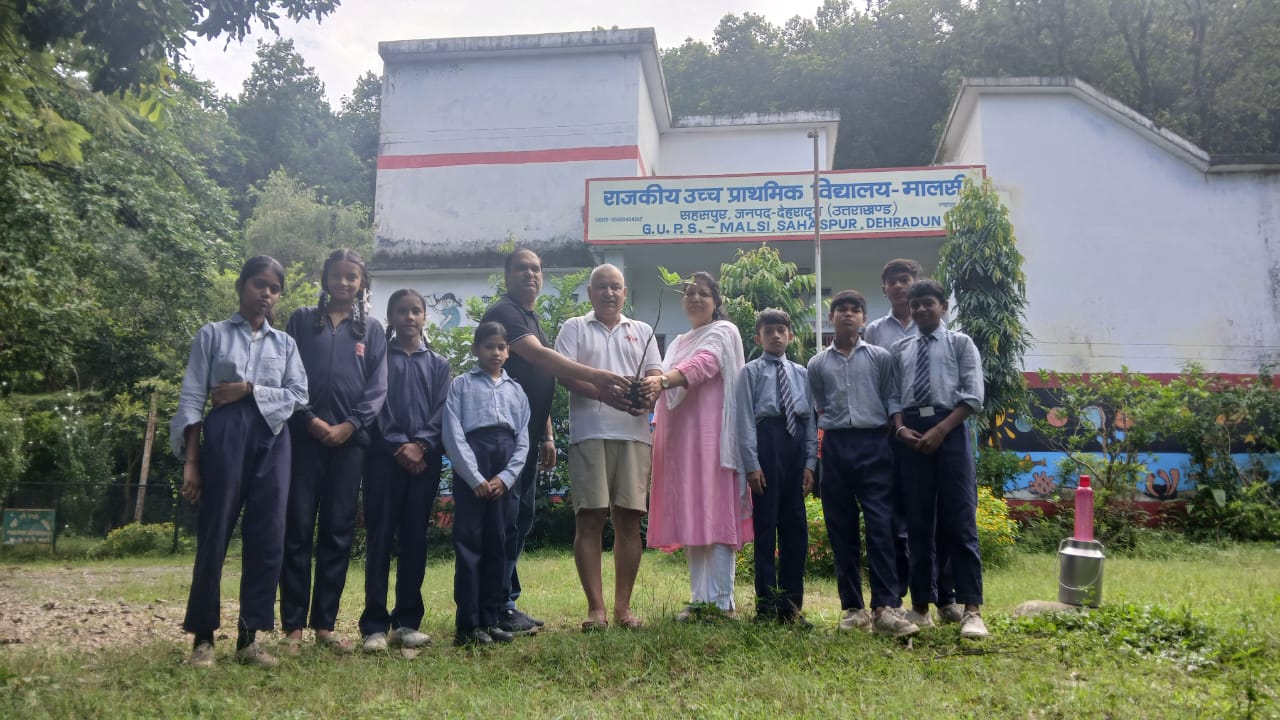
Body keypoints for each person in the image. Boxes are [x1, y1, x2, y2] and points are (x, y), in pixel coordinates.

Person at [479, 248, 630, 635]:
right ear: (507, 274)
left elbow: (537, 379)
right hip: (503, 434)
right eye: (521, 268)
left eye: (536, 268)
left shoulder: (530, 317)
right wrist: (597, 377)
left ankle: (505, 601)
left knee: (520, 517)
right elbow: (540, 358)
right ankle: (492, 604)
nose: (530, 274)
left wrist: (546, 433)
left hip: (528, 435)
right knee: (504, 520)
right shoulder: (506, 312)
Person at [172, 255, 308, 668]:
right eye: (258, 284)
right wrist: (191, 462)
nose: (266, 293)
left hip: (273, 438)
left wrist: (249, 389)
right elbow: (192, 398)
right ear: (241, 286)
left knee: (268, 534)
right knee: (214, 531)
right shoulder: (211, 335)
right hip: (225, 435)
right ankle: (203, 639)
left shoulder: (285, 344)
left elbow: (299, 396)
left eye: (274, 288)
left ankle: (250, 639)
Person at [280, 249, 388, 655]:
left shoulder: (371, 330)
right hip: (302, 439)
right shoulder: (301, 320)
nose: (344, 283)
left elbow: (378, 387)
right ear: (325, 278)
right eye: (337, 275)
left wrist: (350, 425)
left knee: (338, 533)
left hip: (350, 445)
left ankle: (324, 625)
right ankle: (293, 627)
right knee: (296, 530)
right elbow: (285, 372)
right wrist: (308, 419)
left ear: (362, 284)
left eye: (352, 277)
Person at [554, 264, 662, 631]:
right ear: (590, 292)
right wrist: (602, 394)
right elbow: (565, 374)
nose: (609, 293)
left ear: (625, 292)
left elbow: (654, 375)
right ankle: (596, 610)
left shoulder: (642, 330)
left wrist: (648, 396)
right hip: (590, 432)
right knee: (590, 517)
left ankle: (623, 609)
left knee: (629, 519)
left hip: (634, 434)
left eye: (615, 287)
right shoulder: (574, 327)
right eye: (601, 287)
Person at [807, 290, 918, 638]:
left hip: (875, 445)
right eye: (841, 309)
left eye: (855, 310)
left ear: (864, 319)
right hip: (836, 445)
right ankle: (853, 608)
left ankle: (885, 605)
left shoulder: (880, 358)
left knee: (881, 525)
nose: (848, 314)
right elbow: (819, 405)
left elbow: (892, 398)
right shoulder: (817, 364)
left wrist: (894, 433)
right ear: (831, 317)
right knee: (840, 528)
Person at [641, 272, 751, 619]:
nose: (695, 298)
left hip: (714, 440)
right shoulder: (677, 342)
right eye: (689, 292)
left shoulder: (724, 331)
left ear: (716, 301)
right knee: (692, 514)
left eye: (703, 293)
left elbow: (704, 364)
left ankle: (722, 601)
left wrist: (662, 380)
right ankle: (699, 599)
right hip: (680, 442)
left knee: (716, 515)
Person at [888, 279, 990, 639]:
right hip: (912, 434)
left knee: (959, 521)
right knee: (917, 523)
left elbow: (973, 395)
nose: (920, 310)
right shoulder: (900, 348)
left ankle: (972, 610)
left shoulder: (961, 343)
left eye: (928, 303)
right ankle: (920, 607)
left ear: (943, 306)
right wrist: (900, 429)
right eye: (915, 304)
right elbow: (893, 397)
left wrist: (941, 430)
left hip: (950, 430)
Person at [863, 258, 960, 620]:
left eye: (905, 279)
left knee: (942, 513)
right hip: (893, 435)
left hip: (937, 431)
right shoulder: (874, 332)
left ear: (917, 282)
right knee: (900, 517)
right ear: (885, 288)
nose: (899, 286)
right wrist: (896, 426)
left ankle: (945, 596)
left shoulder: (946, 334)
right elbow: (875, 382)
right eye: (892, 282)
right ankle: (901, 596)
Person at [359, 289, 451, 652]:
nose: (409, 317)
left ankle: (407, 622)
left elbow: (443, 409)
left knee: (414, 539)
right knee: (380, 539)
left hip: (424, 464)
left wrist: (422, 444)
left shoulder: (439, 365)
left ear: (424, 317)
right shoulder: (379, 358)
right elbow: (375, 404)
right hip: (384, 460)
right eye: (402, 311)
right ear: (391, 317)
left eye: (416, 311)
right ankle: (374, 626)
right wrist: (400, 444)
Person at [443, 322, 531, 647]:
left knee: (498, 541)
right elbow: (452, 433)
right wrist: (474, 477)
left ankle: (491, 618)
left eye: (501, 347)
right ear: (475, 349)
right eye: (488, 346)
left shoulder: (516, 391)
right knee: (470, 543)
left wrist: (506, 477)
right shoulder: (461, 386)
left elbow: (523, 439)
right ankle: (468, 625)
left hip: (503, 464)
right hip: (474, 458)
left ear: (508, 352)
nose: (495, 352)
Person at [736, 308, 817, 625]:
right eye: (768, 331)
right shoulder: (750, 372)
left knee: (796, 528)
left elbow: (809, 420)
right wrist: (752, 464)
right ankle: (766, 606)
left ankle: (792, 607)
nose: (775, 336)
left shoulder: (802, 373)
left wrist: (810, 461)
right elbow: (744, 420)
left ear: (791, 336)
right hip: (767, 444)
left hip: (794, 446)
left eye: (781, 330)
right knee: (766, 528)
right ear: (758, 338)